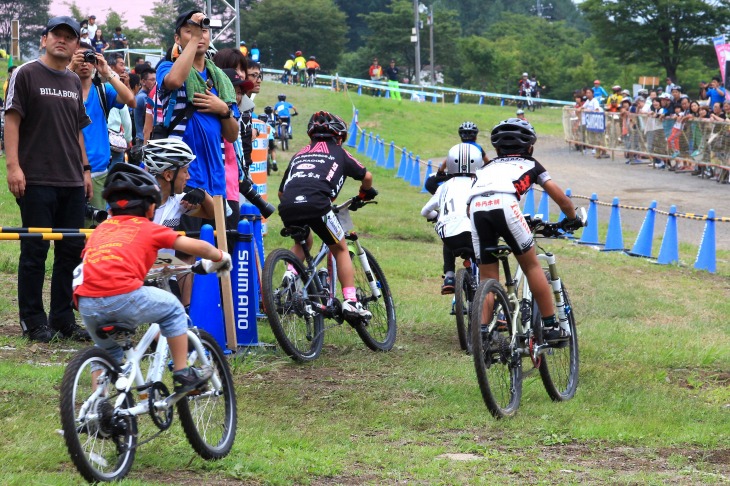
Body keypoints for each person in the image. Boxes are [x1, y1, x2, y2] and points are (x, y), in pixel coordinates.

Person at [74, 163, 231, 393]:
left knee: (109, 353)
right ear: (150, 208)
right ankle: (182, 373)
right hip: (121, 294)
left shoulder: (101, 229)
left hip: (86, 300)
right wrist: (220, 257)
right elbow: (195, 246)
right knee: (174, 310)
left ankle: (99, 406)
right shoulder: (148, 227)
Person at [5, 16, 93, 342]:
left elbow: (77, 130)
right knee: (35, 253)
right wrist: (14, 167)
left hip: (71, 180)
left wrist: (85, 170)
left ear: (75, 46)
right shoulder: (25, 73)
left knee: (70, 253)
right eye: (57, 34)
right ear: (44, 39)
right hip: (36, 179)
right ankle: (32, 321)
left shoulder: (73, 81)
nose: (62, 40)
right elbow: (11, 121)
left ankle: (62, 319)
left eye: (69, 37)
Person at [467, 118, 583, 343]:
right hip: (506, 205)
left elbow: (471, 203)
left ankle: (482, 331)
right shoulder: (531, 164)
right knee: (530, 265)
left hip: (476, 208)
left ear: (497, 149)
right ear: (530, 147)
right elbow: (560, 198)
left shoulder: (486, 167)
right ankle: (550, 326)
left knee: (488, 276)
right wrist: (573, 218)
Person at [277, 111, 377, 321]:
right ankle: (350, 301)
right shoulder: (339, 152)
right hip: (318, 204)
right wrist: (364, 193)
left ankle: (290, 274)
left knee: (305, 239)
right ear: (339, 137)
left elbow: (281, 191)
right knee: (339, 248)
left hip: (288, 205)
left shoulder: (299, 154)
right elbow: (366, 176)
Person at [155, 10, 240, 201]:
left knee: (217, 232)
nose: (199, 35)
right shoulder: (167, 67)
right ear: (177, 38)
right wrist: (194, 40)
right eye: (189, 31)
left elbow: (232, 135)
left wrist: (224, 110)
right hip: (182, 179)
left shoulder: (220, 78)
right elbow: (175, 81)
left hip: (216, 180)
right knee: (186, 232)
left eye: (203, 30)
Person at [68, 43, 136, 209]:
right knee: (69, 228)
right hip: (68, 168)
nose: (84, 63)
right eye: (79, 58)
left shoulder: (103, 91)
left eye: (88, 58)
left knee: (96, 227)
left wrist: (107, 72)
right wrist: (69, 68)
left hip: (98, 169)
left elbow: (131, 100)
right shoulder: (63, 90)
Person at [421, 143, 481, 294]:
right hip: (475, 236)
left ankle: (449, 276)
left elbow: (425, 211)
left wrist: (436, 216)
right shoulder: (480, 184)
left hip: (451, 237)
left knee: (448, 239)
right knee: (488, 266)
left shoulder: (444, 187)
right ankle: (492, 297)